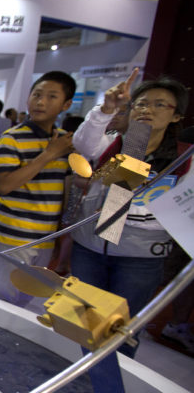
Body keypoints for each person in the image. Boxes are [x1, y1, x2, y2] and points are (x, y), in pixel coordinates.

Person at [69, 72, 190, 355]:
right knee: (86, 326)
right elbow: (83, 145)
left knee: (121, 331)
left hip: (140, 258)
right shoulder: (112, 142)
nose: (147, 109)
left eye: (160, 105)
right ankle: (84, 381)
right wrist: (107, 108)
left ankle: (111, 390)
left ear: (176, 117)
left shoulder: (185, 159)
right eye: (141, 103)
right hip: (89, 248)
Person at [0, 71, 76, 307]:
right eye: (36, 94)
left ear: (66, 104)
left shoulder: (66, 140)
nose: (41, 102)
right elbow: (4, 186)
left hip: (46, 234)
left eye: (51, 96)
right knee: (4, 295)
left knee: (27, 294)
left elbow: (67, 186)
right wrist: (49, 155)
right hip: (13, 232)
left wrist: (62, 228)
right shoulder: (12, 138)